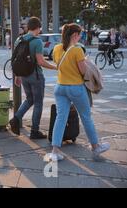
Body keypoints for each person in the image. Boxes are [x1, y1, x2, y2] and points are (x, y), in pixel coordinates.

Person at [46, 23, 110, 162]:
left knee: (60, 118)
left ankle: (55, 151)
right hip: (75, 88)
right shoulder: (77, 50)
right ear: (74, 35)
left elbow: (58, 66)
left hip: (60, 87)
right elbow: (82, 71)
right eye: (79, 34)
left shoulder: (57, 48)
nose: (80, 37)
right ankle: (95, 146)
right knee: (86, 116)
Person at [9, 17, 57, 139]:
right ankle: (34, 131)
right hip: (35, 75)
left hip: (24, 75)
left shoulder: (19, 39)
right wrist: (55, 67)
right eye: (40, 29)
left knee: (29, 99)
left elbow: (17, 59)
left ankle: (16, 118)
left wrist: (17, 75)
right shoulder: (37, 42)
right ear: (37, 28)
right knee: (38, 103)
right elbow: (41, 62)